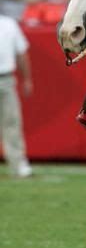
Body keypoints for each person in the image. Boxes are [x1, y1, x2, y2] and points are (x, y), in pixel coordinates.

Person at [0, 13, 33, 178]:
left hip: (6, 78)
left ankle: (18, 164)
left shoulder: (10, 24)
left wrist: (27, 79)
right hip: (6, 79)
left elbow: (21, 53)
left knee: (12, 122)